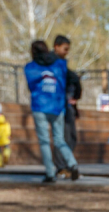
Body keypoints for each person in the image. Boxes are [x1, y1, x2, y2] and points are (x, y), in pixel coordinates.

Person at [24, 39, 80, 184]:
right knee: (59, 139)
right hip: (57, 106)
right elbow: (72, 79)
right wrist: (74, 96)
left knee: (44, 142)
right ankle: (73, 163)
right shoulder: (60, 64)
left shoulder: (30, 67)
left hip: (40, 106)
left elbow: (31, 87)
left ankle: (50, 173)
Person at [51, 35, 83, 171]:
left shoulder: (62, 63)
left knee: (71, 136)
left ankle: (67, 164)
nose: (66, 52)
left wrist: (75, 97)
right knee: (62, 137)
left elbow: (73, 79)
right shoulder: (51, 62)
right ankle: (61, 166)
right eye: (65, 49)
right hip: (57, 105)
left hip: (67, 104)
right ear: (56, 47)